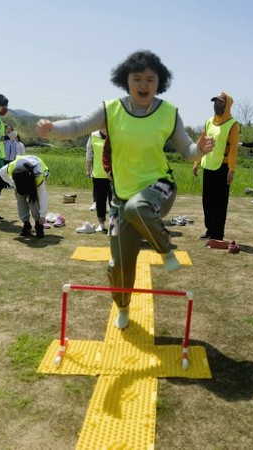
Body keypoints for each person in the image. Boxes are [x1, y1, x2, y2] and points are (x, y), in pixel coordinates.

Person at [36, 50, 214, 330]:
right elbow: (78, 125)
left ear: (159, 82)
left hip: (160, 187)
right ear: (126, 81)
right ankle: (122, 306)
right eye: (137, 79)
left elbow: (188, 150)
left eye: (150, 80)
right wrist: (52, 128)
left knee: (138, 207)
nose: (143, 85)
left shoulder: (169, 113)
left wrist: (200, 149)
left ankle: (165, 248)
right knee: (118, 264)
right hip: (119, 201)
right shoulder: (110, 110)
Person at [193, 92, 239, 240]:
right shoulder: (209, 122)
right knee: (207, 201)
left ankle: (218, 233)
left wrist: (231, 169)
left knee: (220, 203)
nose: (216, 105)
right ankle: (209, 230)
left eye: (220, 103)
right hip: (208, 166)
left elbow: (233, 149)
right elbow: (203, 144)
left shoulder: (232, 124)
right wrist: (197, 162)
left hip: (222, 167)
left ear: (227, 105)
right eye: (215, 102)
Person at [0, 154, 50, 238]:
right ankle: (26, 225)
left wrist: (42, 216)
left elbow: (43, 198)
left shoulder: (39, 177)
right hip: (20, 180)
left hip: (34, 180)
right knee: (20, 201)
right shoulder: (12, 167)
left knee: (34, 202)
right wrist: (12, 183)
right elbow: (1, 172)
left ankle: (38, 226)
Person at [86, 129, 112, 232]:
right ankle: (101, 224)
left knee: (113, 201)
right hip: (98, 174)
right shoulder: (93, 135)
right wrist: (88, 170)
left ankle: (113, 224)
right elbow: (89, 154)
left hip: (112, 175)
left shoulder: (114, 134)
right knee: (100, 201)